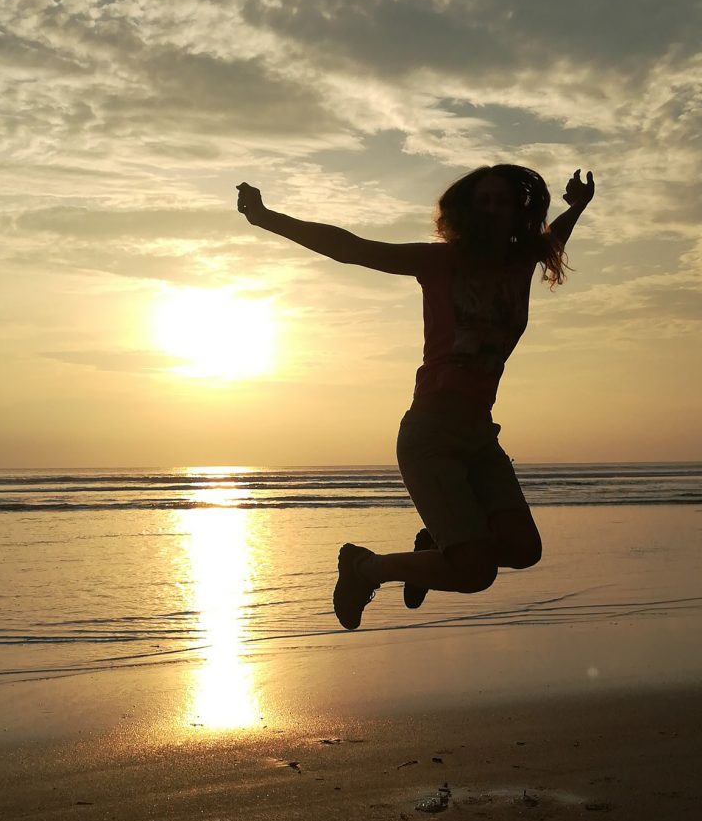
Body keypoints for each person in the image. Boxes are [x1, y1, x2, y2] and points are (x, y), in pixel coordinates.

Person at [237, 164, 594, 630]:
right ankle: (364, 567)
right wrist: (267, 218)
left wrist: (578, 207)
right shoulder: (439, 262)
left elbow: (553, 236)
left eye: (501, 202)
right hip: (431, 434)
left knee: (525, 550)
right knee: (475, 572)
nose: (491, 210)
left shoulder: (522, 260)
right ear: (467, 211)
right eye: (481, 201)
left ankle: (434, 544)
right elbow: (352, 249)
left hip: (479, 434)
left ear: (516, 213)